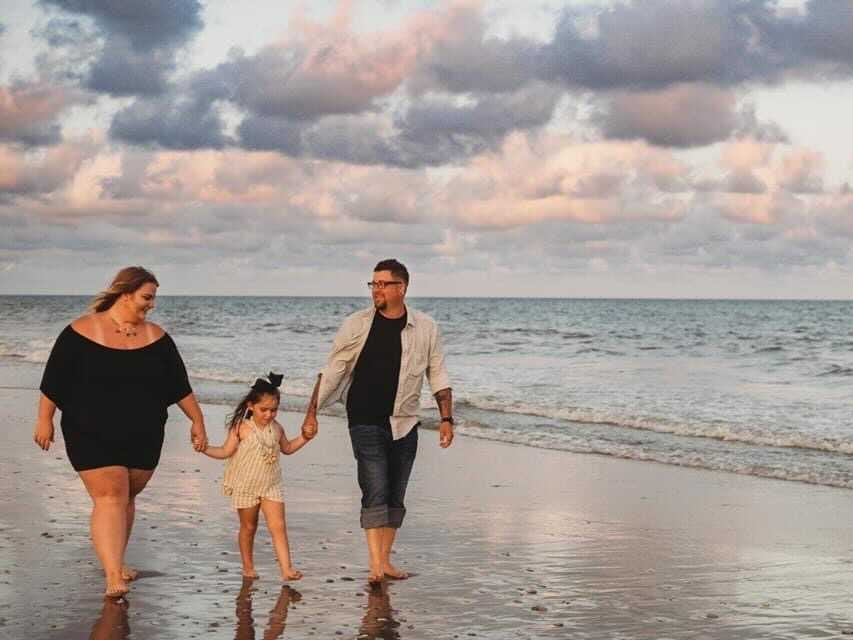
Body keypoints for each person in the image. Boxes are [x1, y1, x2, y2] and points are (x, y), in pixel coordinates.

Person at [32, 266, 208, 598]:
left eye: (154, 298)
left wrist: (197, 421)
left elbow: (179, 386)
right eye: (147, 297)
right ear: (124, 293)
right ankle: (113, 575)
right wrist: (45, 420)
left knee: (126, 498)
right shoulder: (80, 332)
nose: (151, 305)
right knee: (110, 496)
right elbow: (54, 380)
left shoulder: (157, 337)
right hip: (90, 429)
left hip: (144, 432)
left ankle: (118, 561)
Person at [300, 258, 454, 583]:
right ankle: (374, 565)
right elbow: (331, 371)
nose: (376, 290)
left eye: (383, 284)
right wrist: (312, 412)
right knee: (375, 489)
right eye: (373, 284)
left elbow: (437, 374)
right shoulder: (356, 324)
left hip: (405, 421)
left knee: (396, 495)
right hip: (364, 418)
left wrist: (446, 418)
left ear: (403, 287)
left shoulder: (426, 328)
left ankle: (385, 561)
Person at [203, 372, 313, 581]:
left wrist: (306, 438)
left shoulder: (277, 429)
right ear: (251, 406)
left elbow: (288, 449)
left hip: (272, 485)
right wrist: (204, 448)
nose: (269, 415)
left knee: (279, 526)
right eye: (264, 410)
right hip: (246, 485)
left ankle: (286, 569)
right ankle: (248, 566)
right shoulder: (241, 428)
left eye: (274, 410)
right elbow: (225, 452)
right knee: (249, 527)